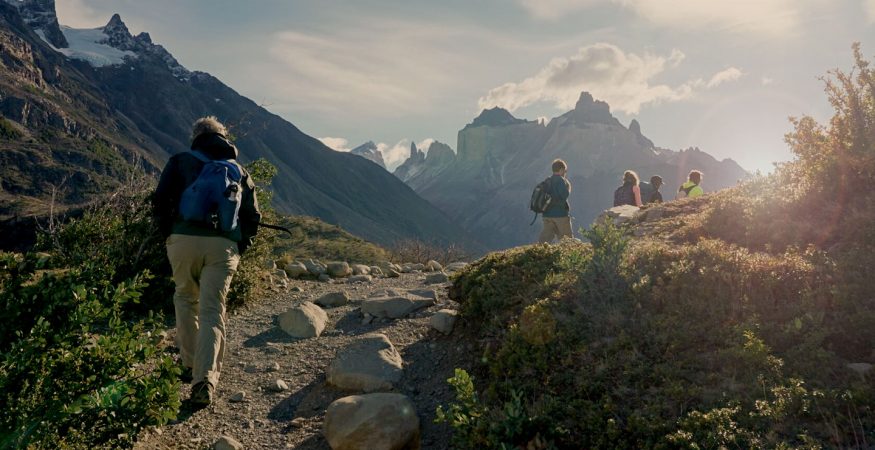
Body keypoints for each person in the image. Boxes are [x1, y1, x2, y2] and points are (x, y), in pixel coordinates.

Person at [152, 116, 261, 406]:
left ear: (196, 136)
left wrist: (170, 236)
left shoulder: (179, 161)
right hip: (223, 246)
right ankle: (205, 380)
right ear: (223, 137)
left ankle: (188, 364)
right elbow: (253, 217)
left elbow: (160, 201)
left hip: (182, 241)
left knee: (185, 299)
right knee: (213, 309)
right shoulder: (238, 170)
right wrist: (238, 247)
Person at [538, 159, 572, 243]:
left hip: (546, 215)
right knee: (566, 239)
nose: (565, 173)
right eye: (565, 171)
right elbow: (564, 195)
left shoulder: (547, 180)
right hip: (560, 215)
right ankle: (568, 254)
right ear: (561, 170)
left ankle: (539, 253)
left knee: (545, 239)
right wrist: (568, 187)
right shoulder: (561, 181)